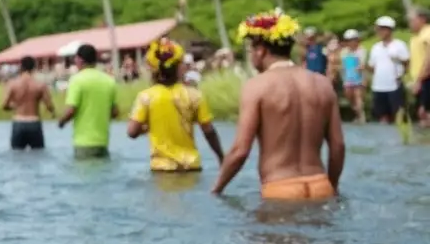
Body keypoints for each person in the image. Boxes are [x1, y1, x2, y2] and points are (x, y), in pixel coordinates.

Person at [213, 12, 345, 200]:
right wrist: (333, 187)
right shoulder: (322, 84)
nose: (251, 56)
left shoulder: (256, 86)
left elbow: (240, 151)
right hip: (320, 185)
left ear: (261, 50)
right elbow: (338, 146)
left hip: (280, 189)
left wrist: (217, 189)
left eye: (251, 50)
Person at [126, 38, 224, 172]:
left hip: (161, 169)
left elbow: (132, 132)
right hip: (192, 167)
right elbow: (209, 131)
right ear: (178, 67)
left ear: (153, 69)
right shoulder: (195, 95)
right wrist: (221, 157)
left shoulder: (146, 97)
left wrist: (149, 126)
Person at [58, 45, 119, 159]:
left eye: (75, 59)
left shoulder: (76, 80)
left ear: (80, 60)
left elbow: (71, 110)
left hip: (83, 143)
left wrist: (61, 122)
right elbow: (115, 112)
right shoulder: (109, 81)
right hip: (103, 142)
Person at [3, 56, 54, 150]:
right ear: (34, 68)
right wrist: (52, 113)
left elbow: (4, 105)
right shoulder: (40, 85)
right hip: (34, 122)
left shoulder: (12, 84)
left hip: (19, 122)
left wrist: (15, 106)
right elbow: (49, 106)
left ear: (21, 67)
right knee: (38, 155)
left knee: (17, 156)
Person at [366, 16, 409, 124]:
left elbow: (407, 64)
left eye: (381, 29)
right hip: (378, 86)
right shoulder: (376, 47)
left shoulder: (399, 45)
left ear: (389, 30)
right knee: (382, 117)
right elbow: (372, 67)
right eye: (378, 29)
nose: (379, 32)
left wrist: (398, 60)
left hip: (394, 85)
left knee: (398, 116)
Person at [407, 7, 430, 128]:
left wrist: (419, 81)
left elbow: (428, 60)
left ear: (422, 19)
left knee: (424, 113)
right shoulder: (416, 37)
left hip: (426, 79)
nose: (410, 22)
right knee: (422, 114)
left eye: (412, 19)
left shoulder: (428, 33)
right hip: (419, 79)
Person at [337, 30, 367, 123]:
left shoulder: (362, 50)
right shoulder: (344, 52)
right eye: (349, 40)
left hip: (359, 77)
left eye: (353, 40)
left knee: (358, 96)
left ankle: (361, 116)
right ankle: (357, 114)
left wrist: (362, 75)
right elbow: (343, 66)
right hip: (348, 78)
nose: (351, 42)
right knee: (350, 96)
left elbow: (363, 65)